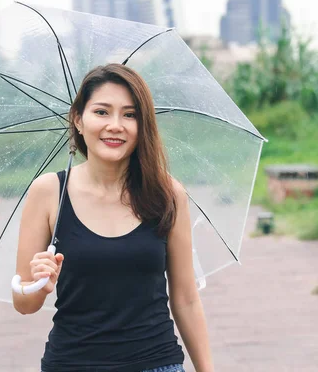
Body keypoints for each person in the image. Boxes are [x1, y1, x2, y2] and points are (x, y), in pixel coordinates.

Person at [12, 64, 214, 372]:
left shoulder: (167, 194)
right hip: (72, 364)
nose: (115, 125)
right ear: (78, 119)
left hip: (157, 364)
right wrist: (38, 285)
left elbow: (185, 299)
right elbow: (23, 304)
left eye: (130, 115)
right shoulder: (48, 192)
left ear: (142, 125)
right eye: (102, 112)